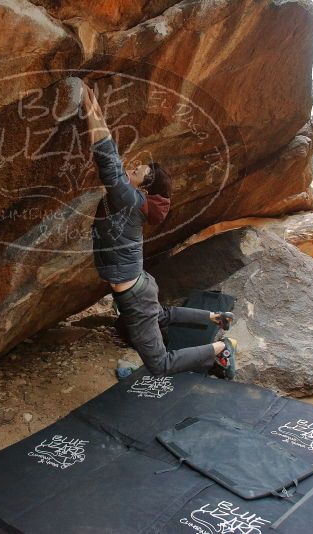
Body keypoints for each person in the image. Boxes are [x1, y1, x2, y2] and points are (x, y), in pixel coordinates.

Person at [81, 82, 238, 379]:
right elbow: (113, 161)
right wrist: (94, 106)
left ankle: (222, 349)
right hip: (138, 286)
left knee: (160, 364)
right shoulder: (136, 201)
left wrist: (90, 109)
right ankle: (215, 317)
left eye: (137, 172)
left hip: (135, 291)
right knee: (159, 316)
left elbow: (107, 158)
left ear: (144, 185)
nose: (132, 170)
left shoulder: (130, 200)